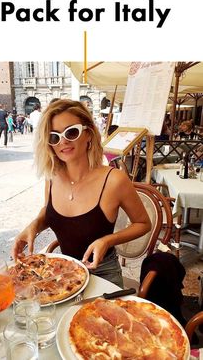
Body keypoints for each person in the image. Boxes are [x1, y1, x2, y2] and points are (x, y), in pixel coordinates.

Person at [12, 99, 151, 287]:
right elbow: (50, 211)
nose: (63, 141)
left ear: (89, 133)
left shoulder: (114, 180)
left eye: (71, 132)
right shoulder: (52, 177)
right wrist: (35, 225)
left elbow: (143, 223)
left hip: (103, 274)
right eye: (54, 137)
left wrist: (108, 240)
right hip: (62, 273)